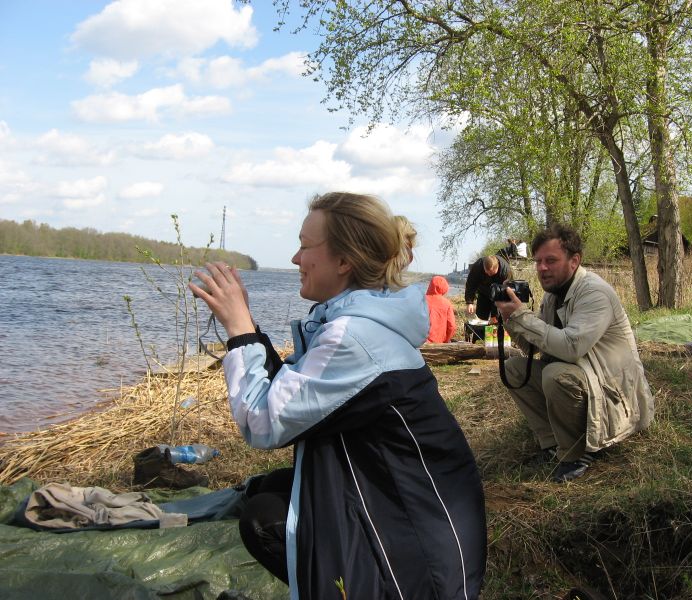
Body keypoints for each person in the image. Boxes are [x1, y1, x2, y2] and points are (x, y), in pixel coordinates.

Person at [189, 192, 486, 599]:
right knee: (269, 489)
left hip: (424, 558)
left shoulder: (355, 338)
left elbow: (263, 424)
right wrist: (249, 329)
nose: (295, 259)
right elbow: (295, 396)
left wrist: (239, 330)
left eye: (305, 246)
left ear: (344, 261)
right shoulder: (358, 321)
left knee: (263, 519)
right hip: (422, 514)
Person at [493, 223, 654, 483]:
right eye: (539, 261)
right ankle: (552, 444)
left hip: (614, 394)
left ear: (574, 260)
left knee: (556, 375)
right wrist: (511, 318)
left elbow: (570, 347)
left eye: (551, 260)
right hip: (587, 380)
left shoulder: (594, 292)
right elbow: (534, 348)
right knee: (514, 369)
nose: (542, 268)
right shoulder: (553, 295)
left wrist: (523, 316)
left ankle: (576, 453)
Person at [465, 254, 512, 321]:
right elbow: (471, 284)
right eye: (487, 273)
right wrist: (469, 302)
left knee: (495, 318)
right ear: (483, 267)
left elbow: (508, 290)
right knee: (481, 317)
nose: (489, 275)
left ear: (497, 267)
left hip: (498, 295)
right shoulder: (478, 266)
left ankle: (492, 330)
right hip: (483, 292)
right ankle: (481, 330)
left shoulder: (505, 270)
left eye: (492, 273)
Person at [425, 275, 457, 343]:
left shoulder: (420, 300)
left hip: (420, 343)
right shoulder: (446, 303)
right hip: (439, 343)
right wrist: (446, 341)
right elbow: (452, 326)